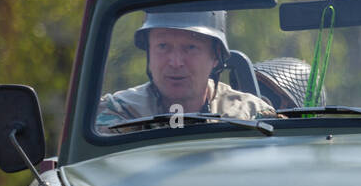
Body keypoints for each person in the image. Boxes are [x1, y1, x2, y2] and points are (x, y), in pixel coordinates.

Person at [96, 9, 273, 127]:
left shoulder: (250, 115)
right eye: (163, 46)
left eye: (190, 47)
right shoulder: (120, 112)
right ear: (149, 53)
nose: (175, 62)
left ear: (215, 56)